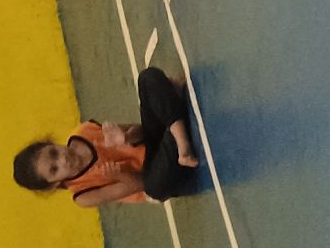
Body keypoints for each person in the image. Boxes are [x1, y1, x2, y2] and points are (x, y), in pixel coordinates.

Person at [12, 68, 202, 208]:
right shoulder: (82, 196)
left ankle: (180, 140)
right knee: (155, 189)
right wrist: (117, 175)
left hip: (154, 144)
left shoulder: (83, 132)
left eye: (54, 153)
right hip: (154, 172)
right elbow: (141, 183)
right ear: (54, 183)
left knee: (147, 78)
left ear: (52, 143)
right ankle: (175, 120)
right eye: (55, 169)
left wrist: (127, 137)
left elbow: (143, 131)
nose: (62, 160)